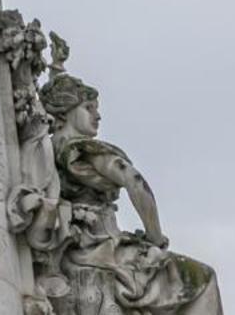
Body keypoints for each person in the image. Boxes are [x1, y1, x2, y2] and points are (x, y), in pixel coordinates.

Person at [40, 73, 224, 315]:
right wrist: (155, 237)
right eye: (88, 108)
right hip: (102, 249)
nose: (98, 115)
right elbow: (134, 181)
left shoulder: (46, 150)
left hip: (77, 249)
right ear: (65, 113)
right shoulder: (82, 149)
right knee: (203, 279)